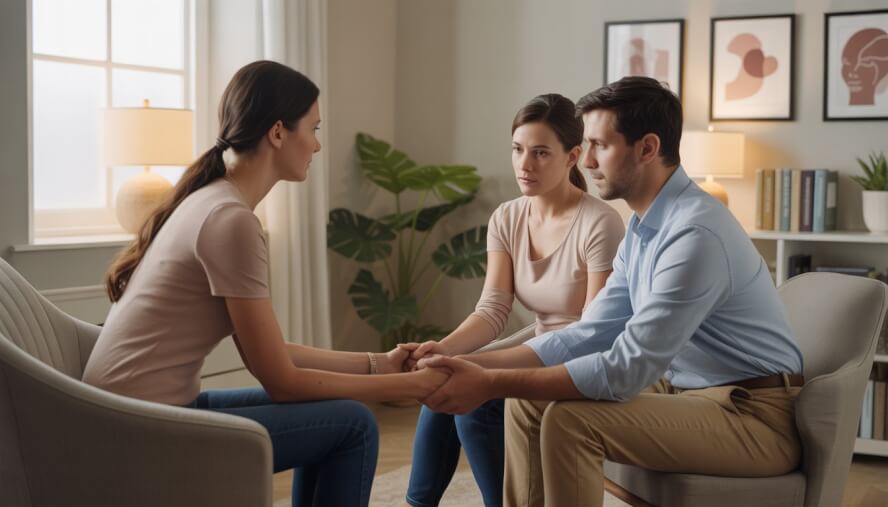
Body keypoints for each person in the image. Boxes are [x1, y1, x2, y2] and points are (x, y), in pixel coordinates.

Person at [417, 76, 804, 507]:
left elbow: (627, 368)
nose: (588, 162)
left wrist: (489, 380)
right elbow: (589, 331)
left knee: (571, 421)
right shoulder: (644, 226)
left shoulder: (695, 233)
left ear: (648, 148)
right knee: (525, 403)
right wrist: (470, 365)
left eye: (600, 146)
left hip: (751, 416)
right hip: (687, 392)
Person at [82, 60, 447, 507]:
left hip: (128, 415)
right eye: (312, 128)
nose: (316, 144)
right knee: (354, 425)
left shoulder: (212, 200)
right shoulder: (229, 220)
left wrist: (379, 363)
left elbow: (274, 355)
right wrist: (406, 388)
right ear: (278, 132)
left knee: (336, 416)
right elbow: (282, 382)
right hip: (138, 431)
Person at [403, 94, 624, 507]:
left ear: (572, 156)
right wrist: (442, 349)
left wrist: (488, 363)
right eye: (518, 150)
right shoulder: (506, 217)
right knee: (440, 377)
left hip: (583, 357)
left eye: (541, 153)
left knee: (472, 404)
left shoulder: (600, 222)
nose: (525, 164)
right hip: (535, 344)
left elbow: (594, 331)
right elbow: (492, 310)